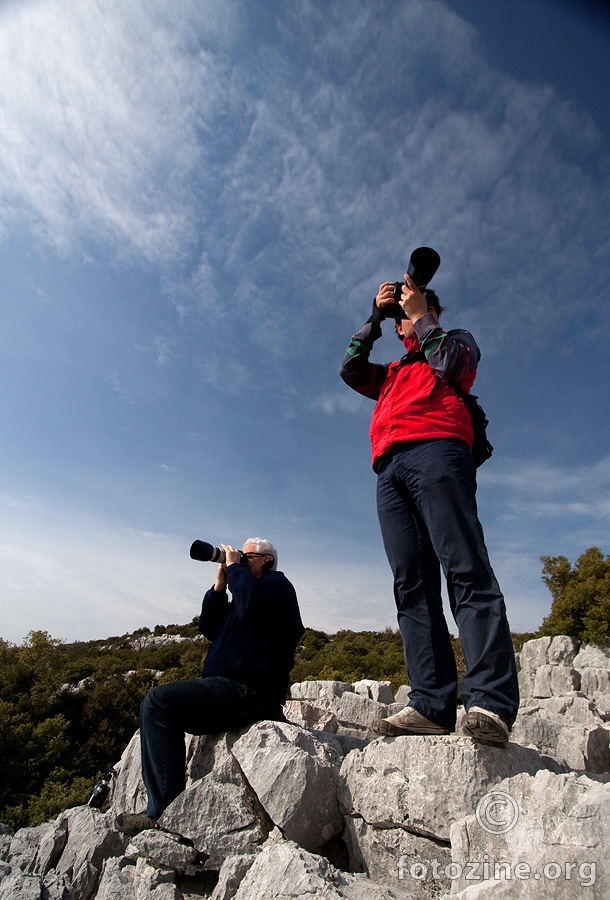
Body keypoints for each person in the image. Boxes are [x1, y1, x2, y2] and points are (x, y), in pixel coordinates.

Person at [339, 273, 519, 746]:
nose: (408, 318)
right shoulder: (394, 372)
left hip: (439, 451)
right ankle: (431, 704)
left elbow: (455, 366)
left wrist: (422, 315)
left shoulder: (454, 341)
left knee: (465, 568)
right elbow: (351, 369)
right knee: (411, 586)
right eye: (403, 316)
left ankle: (489, 702)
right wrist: (375, 319)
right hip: (389, 470)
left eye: (413, 310)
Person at [116, 537, 304, 836]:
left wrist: (235, 569)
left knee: (159, 703)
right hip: (228, 688)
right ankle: (164, 809)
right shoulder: (244, 595)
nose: (239, 559)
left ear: (266, 560)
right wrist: (219, 585)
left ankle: (162, 814)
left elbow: (254, 607)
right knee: (161, 708)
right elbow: (209, 627)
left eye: (246, 555)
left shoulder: (277, 587)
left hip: (252, 690)